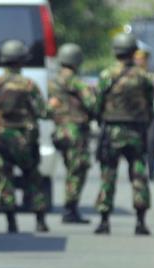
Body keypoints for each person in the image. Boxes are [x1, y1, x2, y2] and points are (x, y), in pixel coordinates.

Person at [0, 39, 49, 233]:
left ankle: (11, 221)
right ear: (21, 61)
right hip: (26, 140)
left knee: (5, 179)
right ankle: (40, 221)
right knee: (33, 178)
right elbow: (42, 112)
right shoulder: (29, 85)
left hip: (2, 138)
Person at [94, 32, 154, 235]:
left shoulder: (106, 75)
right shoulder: (144, 76)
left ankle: (104, 221)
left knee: (108, 175)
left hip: (112, 131)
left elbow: (98, 103)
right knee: (139, 175)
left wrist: (100, 118)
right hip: (136, 131)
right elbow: (151, 105)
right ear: (132, 51)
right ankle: (140, 222)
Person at [48, 43, 96, 224]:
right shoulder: (76, 82)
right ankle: (70, 209)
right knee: (77, 171)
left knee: (70, 169)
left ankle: (70, 208)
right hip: (76, 131)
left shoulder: (53, 82)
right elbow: (91, 103)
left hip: (60, 131)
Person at [134, 40, 154, 180]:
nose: (141, 60)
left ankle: (150, 171)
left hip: (149, 116)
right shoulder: (130, 75)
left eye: (143, 57)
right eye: (138, 57)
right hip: (132, 116)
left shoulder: (153, 76)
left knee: (151, 143)